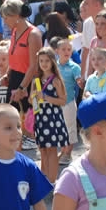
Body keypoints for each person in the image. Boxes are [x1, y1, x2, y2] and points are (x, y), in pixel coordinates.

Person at [1, 0, 43, 147]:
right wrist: (7, 73)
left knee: (29, 123)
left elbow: (34, 66)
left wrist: (22, 88)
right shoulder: (14, 32)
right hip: (15, 78)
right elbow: (14, 57)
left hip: (31, 83)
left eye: (6, 17)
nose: (4, 20)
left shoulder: (33, 34)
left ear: (16, 16)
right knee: (12, 120)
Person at [31, 46, 70, 184]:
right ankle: (43, 179)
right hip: (40, 117)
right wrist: (34, 97)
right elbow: (33, 101)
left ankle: (52, 181)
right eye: (41, 61)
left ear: (53, 61)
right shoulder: (36, 80)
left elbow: (63, 100)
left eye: (47, 60)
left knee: (52, 150)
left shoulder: (55, 80)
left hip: (52, 118)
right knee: (43, 150)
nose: (44, 64)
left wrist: (46, 98)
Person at [54, 37, 82, 163]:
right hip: (55, 103)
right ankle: (63, 151)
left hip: (69, 102)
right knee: (59, 128)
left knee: (70, 128)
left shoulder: (74, 67)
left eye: (69, 49)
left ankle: (68, 154)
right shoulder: (54, 66)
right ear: (57, 51)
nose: (67, 51)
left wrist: (80, 82)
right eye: (63, 49)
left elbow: (78, 80)